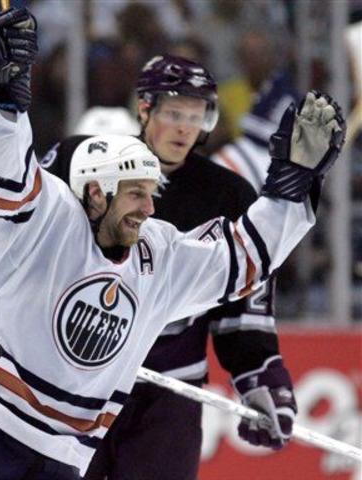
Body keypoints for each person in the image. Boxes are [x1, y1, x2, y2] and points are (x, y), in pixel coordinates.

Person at [0, 8, 345, 479]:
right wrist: (4, 105)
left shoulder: (158, 253)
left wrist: (289, 191)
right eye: (137, 193)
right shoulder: (46, 218)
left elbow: (240, 259)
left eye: (152, 191)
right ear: (96, 191)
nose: (150, 207)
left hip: (65, 455)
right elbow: (0, 180)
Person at [55, 56, 296, 480]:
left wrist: (260, 375)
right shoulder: (84, 164)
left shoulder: (227, 193)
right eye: (173, 113)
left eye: (196, 114)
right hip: (77, 383)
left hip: (168, 395)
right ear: (144, 109)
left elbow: (240, 303)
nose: (186, 127)